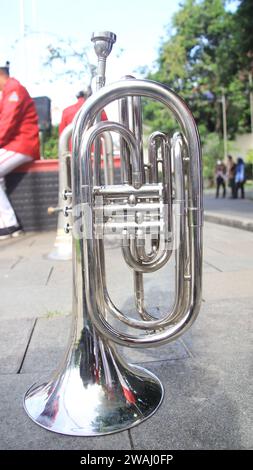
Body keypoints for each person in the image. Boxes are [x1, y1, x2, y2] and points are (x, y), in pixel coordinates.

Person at [0, 62, 40, 240]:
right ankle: (7, 226)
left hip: (22, 144)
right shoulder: (9, 90)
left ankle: (9, 225)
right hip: (15, 144)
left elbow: (6, 124)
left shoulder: (14, 89)